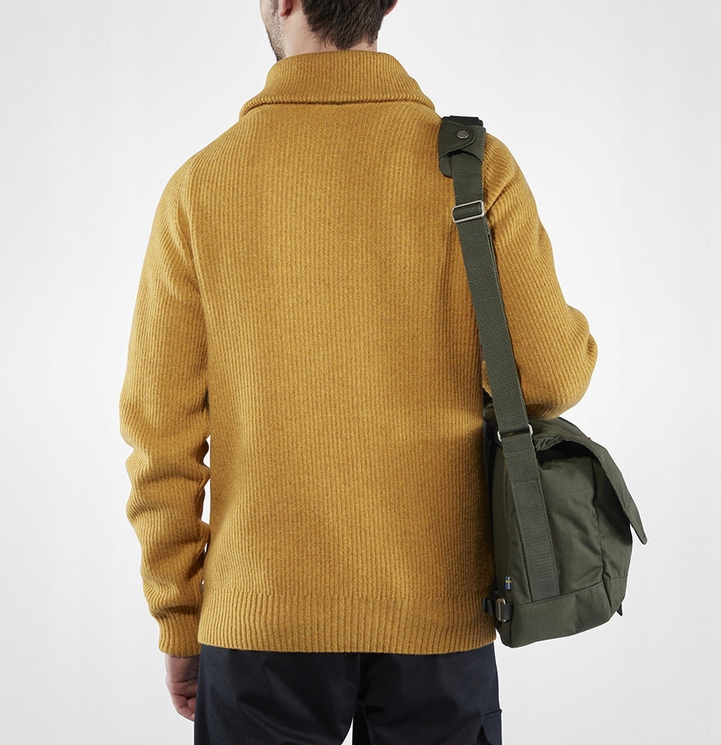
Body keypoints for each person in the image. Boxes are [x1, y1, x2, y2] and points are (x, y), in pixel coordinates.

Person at [117, 1, 598, 742]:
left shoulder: (202, 185)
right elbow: (551, 378)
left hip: (262, 618)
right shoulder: (473, 169)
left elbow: (162, 437)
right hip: (438, 611)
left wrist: (179, 615)